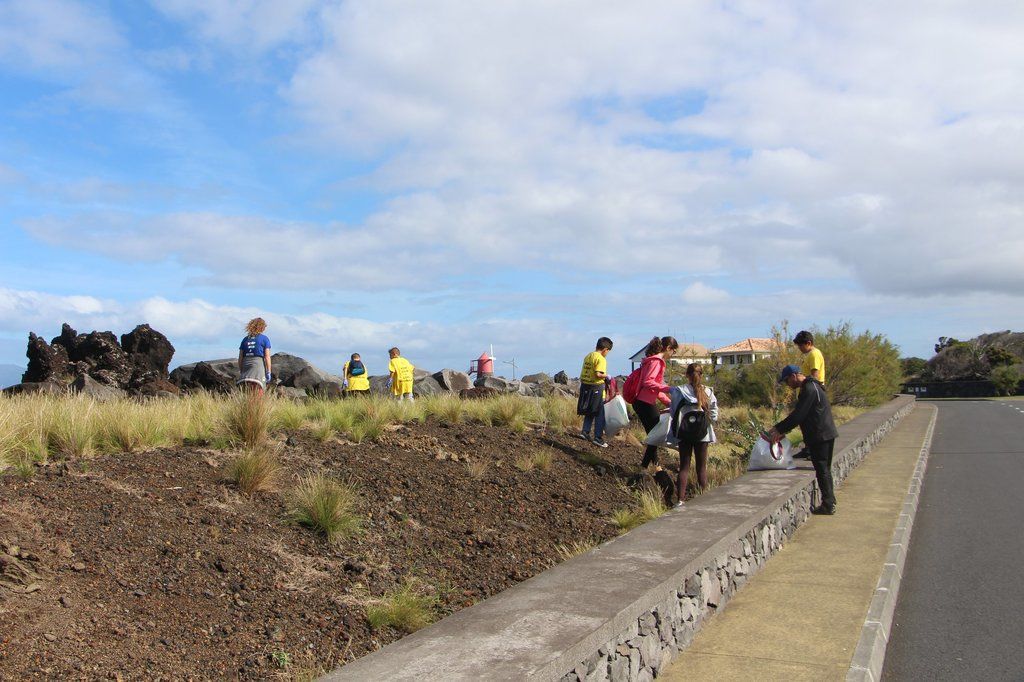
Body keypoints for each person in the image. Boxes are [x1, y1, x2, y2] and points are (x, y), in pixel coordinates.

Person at [768, 365, 839, 515]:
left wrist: (779, 429)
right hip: (826, 432)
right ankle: (830, 501)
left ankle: (828, 504)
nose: (788, 385)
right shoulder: (813, 386)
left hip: (820, 435)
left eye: (787, 381)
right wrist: (782, 430)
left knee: (822, 469)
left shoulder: (809, 389)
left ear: (794, 376)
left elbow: (799, 415)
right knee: (824, 469)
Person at [670, 363, 718, 507]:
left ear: (687, 375)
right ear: (701, 375)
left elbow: (673, 411)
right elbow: (714, 413)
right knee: (701, 467)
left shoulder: (679, 391)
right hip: (703, 433)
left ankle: (680, 500)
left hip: (684, 433)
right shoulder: (708, 392)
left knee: (684, 467)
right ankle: (704, 498)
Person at [634, 336, 678, 468]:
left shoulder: (652, 360)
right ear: (668, 348)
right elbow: (649, 382)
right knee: (656, 437)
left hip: (642, 402)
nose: (672, 355)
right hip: (645, 403)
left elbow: (655, 388)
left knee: (654, 437)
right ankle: (644, 468)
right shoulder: (657, 361)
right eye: (673, 352)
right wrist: (669, 389)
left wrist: (669, 403)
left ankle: (656, 468)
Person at [577, 337, 613, 447]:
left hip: (586, 387)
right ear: (605, 349)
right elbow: (598, 374)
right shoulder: (601, 358)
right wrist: (607, 376)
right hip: (596, 389)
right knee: (599, 414)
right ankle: (598, 437)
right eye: (608, 352)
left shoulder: (588, 356)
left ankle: (585, 431)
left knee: (589, 411)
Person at [237, 317, 272, 394]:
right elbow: (267, 357)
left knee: (247, 390)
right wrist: (269, 371)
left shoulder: (245, 339)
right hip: (258, 365)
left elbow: (240, 358)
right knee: (259, 389)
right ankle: (257, 405)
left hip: (246, 365)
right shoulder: (264, 339)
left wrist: (241, 370)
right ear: (262, 327)